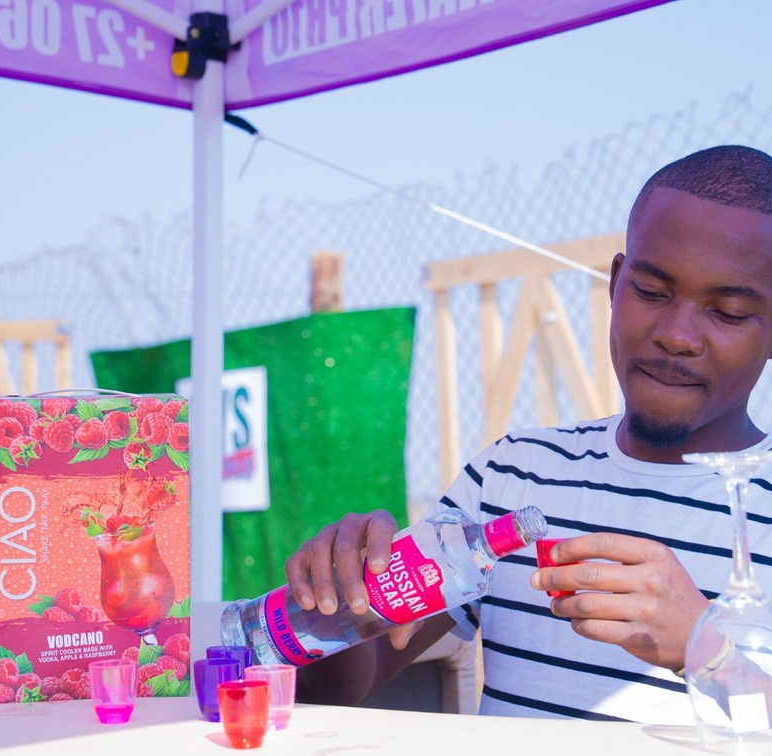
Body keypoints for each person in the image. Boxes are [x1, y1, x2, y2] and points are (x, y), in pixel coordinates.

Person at [284, 144, 772, 723]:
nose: (677, 335)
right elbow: (347, 690)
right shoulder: (512, 474)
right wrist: (336, 602)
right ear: (616, 284)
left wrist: (706, 650)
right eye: (651, 291)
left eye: (728, 311)